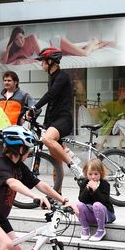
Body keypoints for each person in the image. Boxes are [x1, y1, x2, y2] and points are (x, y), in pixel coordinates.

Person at [29, 47, 82, 179]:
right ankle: (57, 195)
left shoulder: (62, 76)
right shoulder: (52, 77)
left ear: (50, 62)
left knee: (47, 139)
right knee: (56, 164)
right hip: (53, 122)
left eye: (43, 61)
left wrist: (34, 107)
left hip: (63, 120)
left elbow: (51, 95)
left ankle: (72, 164)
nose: (41, 64)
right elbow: (52, 103)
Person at [75, 158, 116, 242]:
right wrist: (87, 189)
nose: (93, 177)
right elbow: (82, 200)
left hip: (106, 214)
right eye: (90, 174)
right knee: (78, 205)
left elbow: (103, 201)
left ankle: (101, 230)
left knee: (97, 204)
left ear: (101, 173)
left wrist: (95, 190)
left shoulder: (105, 184)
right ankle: (85, 228)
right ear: (86, 174)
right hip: (92, 215)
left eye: (96, 174)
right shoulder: (85, 183)